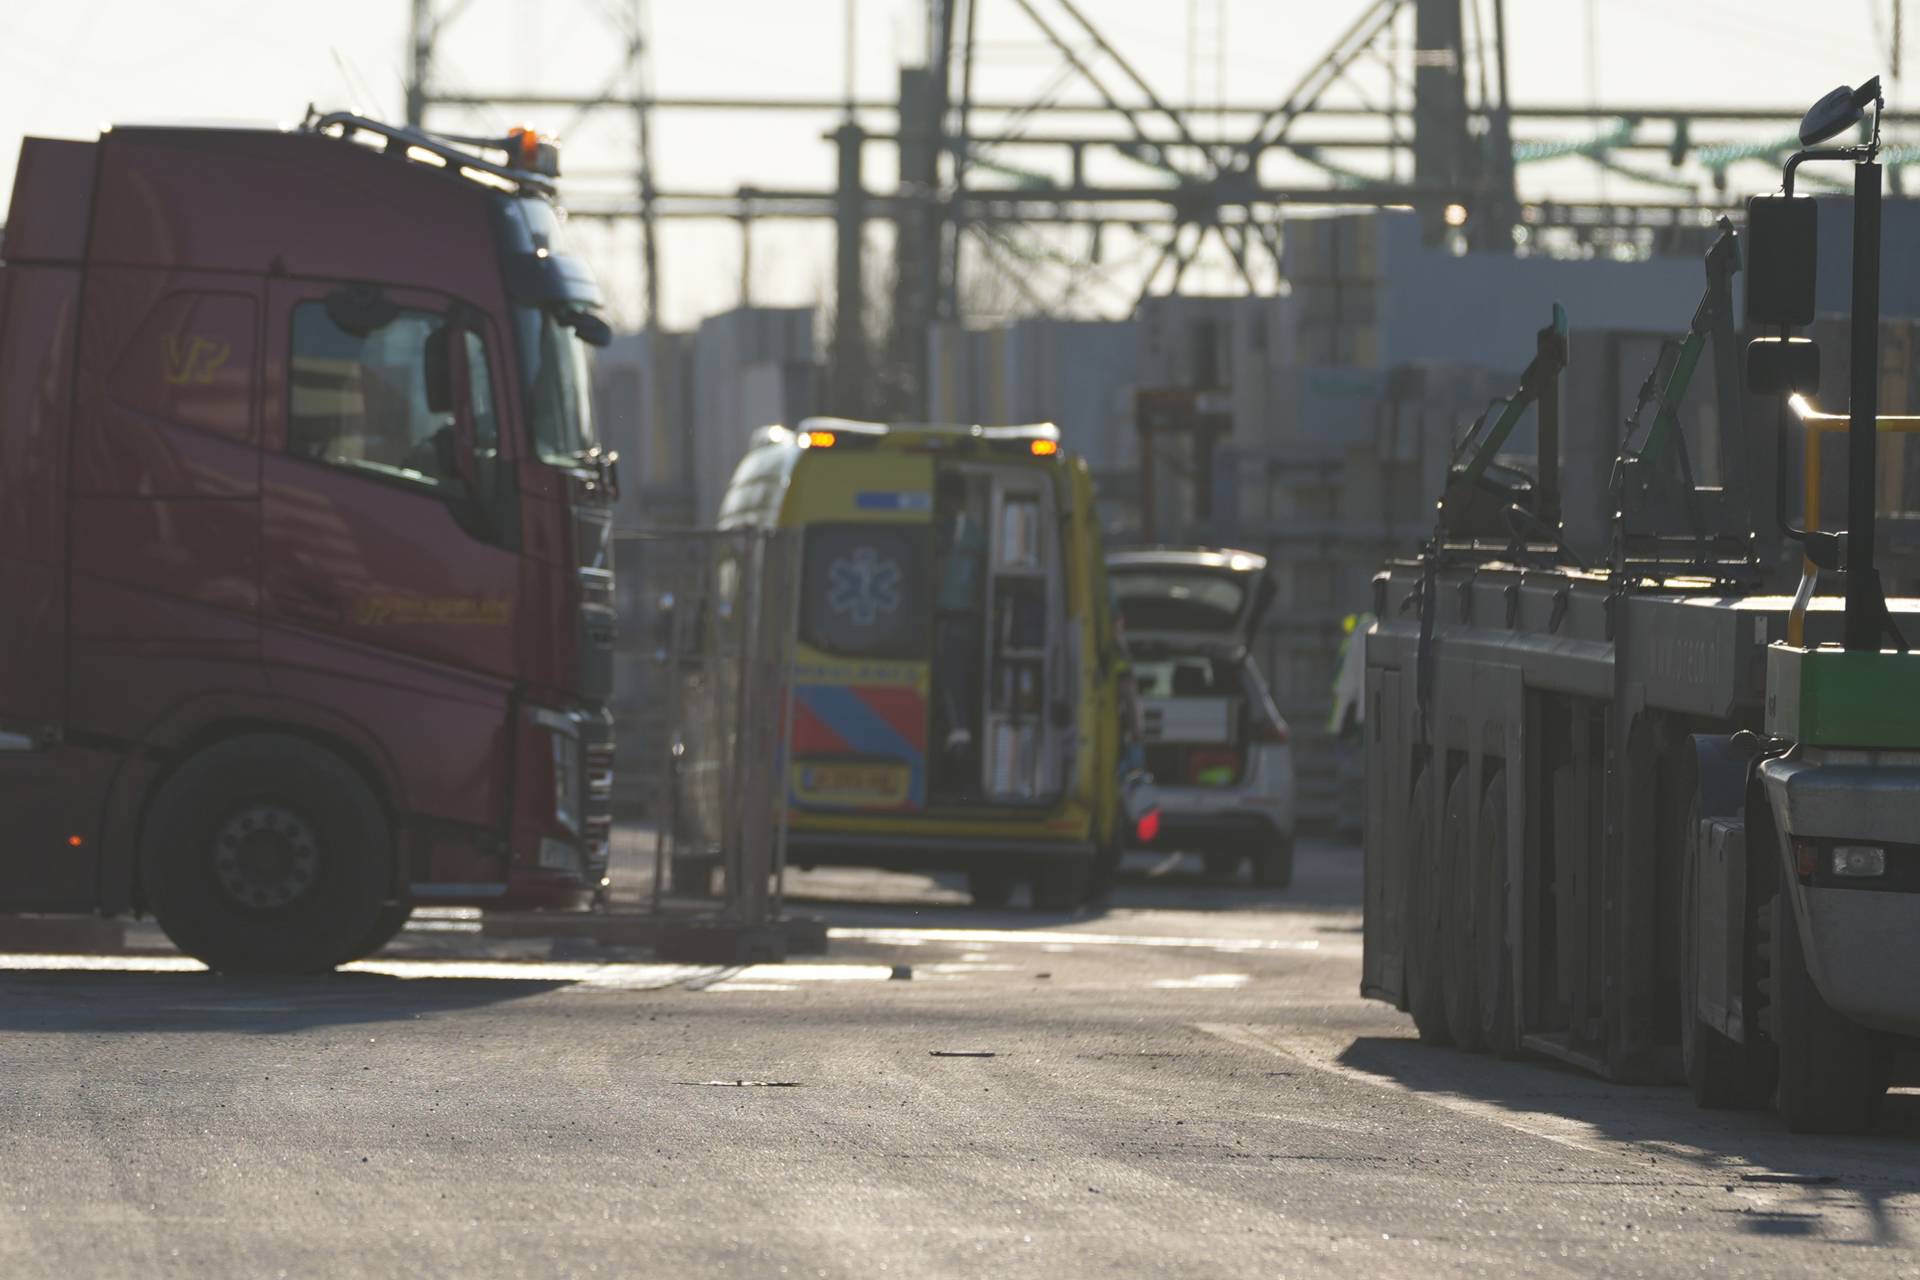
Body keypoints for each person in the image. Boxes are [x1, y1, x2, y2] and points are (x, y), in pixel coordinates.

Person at [933, 474, 987, 784]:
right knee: (959, 682)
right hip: (967, 619)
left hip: (949, 619)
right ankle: (959, 742)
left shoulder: (945, 532)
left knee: (949, 683)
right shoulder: (976, 536)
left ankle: (958, 746)